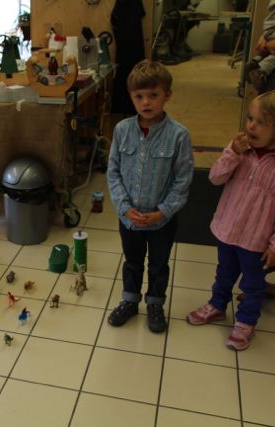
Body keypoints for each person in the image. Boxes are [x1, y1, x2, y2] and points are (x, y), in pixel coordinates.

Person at [187, 91, 275, 351]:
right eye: (250, 118)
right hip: (227, 230)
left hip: (257, 241)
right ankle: (217, 305)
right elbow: (215, 178)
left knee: (252, 284)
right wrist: (232, 152)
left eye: (260, 122)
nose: (251, 126)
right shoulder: (240, 151)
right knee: (224, 273)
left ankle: (245, 322)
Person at [107, 59, 194, 333]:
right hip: (129, 218)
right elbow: (113, 171)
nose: (146, 102)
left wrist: (163, 211)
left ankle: (155, 303)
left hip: (161, 221)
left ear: (167, 95)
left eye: (153, 95)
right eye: (139, 96)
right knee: (132, 262)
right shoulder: (122, 130)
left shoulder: (179, 136)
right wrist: (124, 207)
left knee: (158, 264)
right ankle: (130, 300)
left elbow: (183, 180)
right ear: (131, 97)